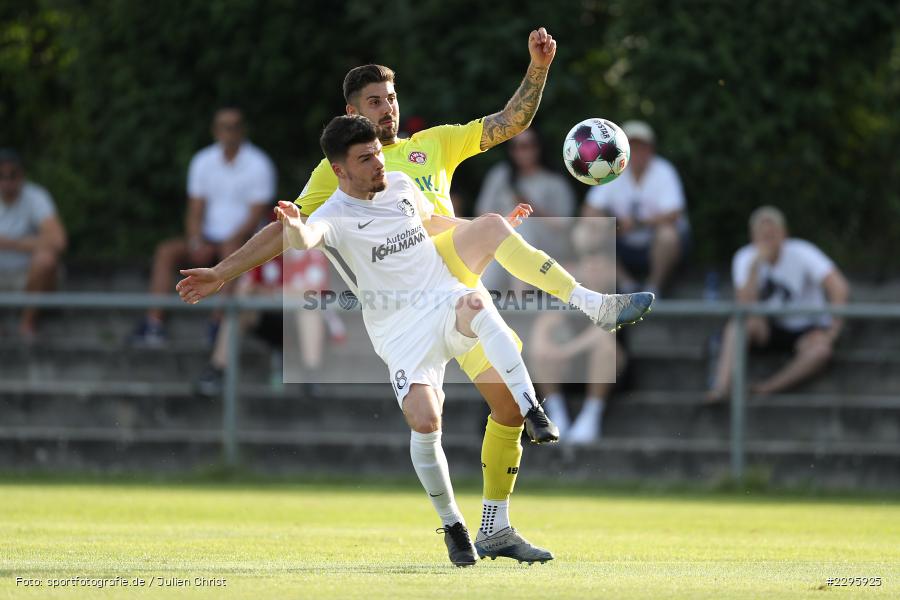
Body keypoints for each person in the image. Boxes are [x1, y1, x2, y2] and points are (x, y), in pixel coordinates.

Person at [176, 28, 653, 565]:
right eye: (375, 102)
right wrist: (222, 270)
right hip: (405, 301)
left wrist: (538, 68)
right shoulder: (339, 170)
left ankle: (495, 527)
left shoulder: (433, 145)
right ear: (352, 110)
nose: (388, 109)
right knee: (434, 411)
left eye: (392, 98)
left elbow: (509, 124)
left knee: (508, 412)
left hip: (451, 288)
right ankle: (594, 305)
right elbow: (287, 232)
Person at [132, 107, 276, 345]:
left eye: (233, 127)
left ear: (242, 130)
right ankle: (154, 323)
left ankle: (217, 322)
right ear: (215, 131)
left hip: (241, 239)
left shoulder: (259, 164)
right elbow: (195, 209)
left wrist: (225, 242)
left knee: (232, 250)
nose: (229, 132)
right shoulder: (203, 161)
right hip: (209, 238)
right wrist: (197, 241)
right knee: (166, 252)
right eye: (224, 127)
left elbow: (255, 217)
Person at [706, 206, 850, 402]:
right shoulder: (745, 257)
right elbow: (743, 306)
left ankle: (768, 388)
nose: (768, 239)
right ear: (753, 237)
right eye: (762, 235)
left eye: (772, 234)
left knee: (821, 351)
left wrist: (832, 332)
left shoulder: (803, 251)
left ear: (784, 234)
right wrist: (755, 267)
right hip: (769, 327)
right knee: (737, 326)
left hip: (807, 328)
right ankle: (721, 387)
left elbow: (838, 287)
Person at [529, 249, 627, 445]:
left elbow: (602, 332)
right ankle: (556, 417)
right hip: (568, 368)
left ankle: (591, 417)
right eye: (590, 267)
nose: (594, 272)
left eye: (600, 267)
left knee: (606, 349)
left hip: (609, 372)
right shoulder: (569, 295)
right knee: (541, 351)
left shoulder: (620, 296)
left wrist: (565, 352)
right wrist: (542, 345)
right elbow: (545, 324)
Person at [582, 120, 689, 296]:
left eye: (641, 147)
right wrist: (612, 223)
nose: (637, 152)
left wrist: (638, 223)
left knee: (667, 235)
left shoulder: (664, 171)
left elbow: (674, 213)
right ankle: (626, 284)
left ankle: (653, 288)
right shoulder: (611, 169)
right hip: (623, 241)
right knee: (587, 232)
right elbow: (589, 210)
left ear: (651, 149)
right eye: (631, 146)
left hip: (654, 241)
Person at [475, 127, 575, 292]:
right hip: (501, 242)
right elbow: (482, 214)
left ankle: (520, 294)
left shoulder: (554, 181)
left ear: (538, 147)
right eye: (517, 146)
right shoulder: (499, 176)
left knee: (522, 225)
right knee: (508, 237)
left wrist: (531, 207)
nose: (522, 151)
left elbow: (564, 225)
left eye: (528, 145)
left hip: (547, 245)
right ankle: (479, 296)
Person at [0, 149, 67, 339]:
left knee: (46, 260)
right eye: (1, 175)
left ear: (22, 175)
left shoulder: (36, 196)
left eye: (12, 175)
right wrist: (33, 243)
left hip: (28, 275)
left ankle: (26, 325)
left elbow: (58, 241)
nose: (6, 181)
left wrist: (9, 243)